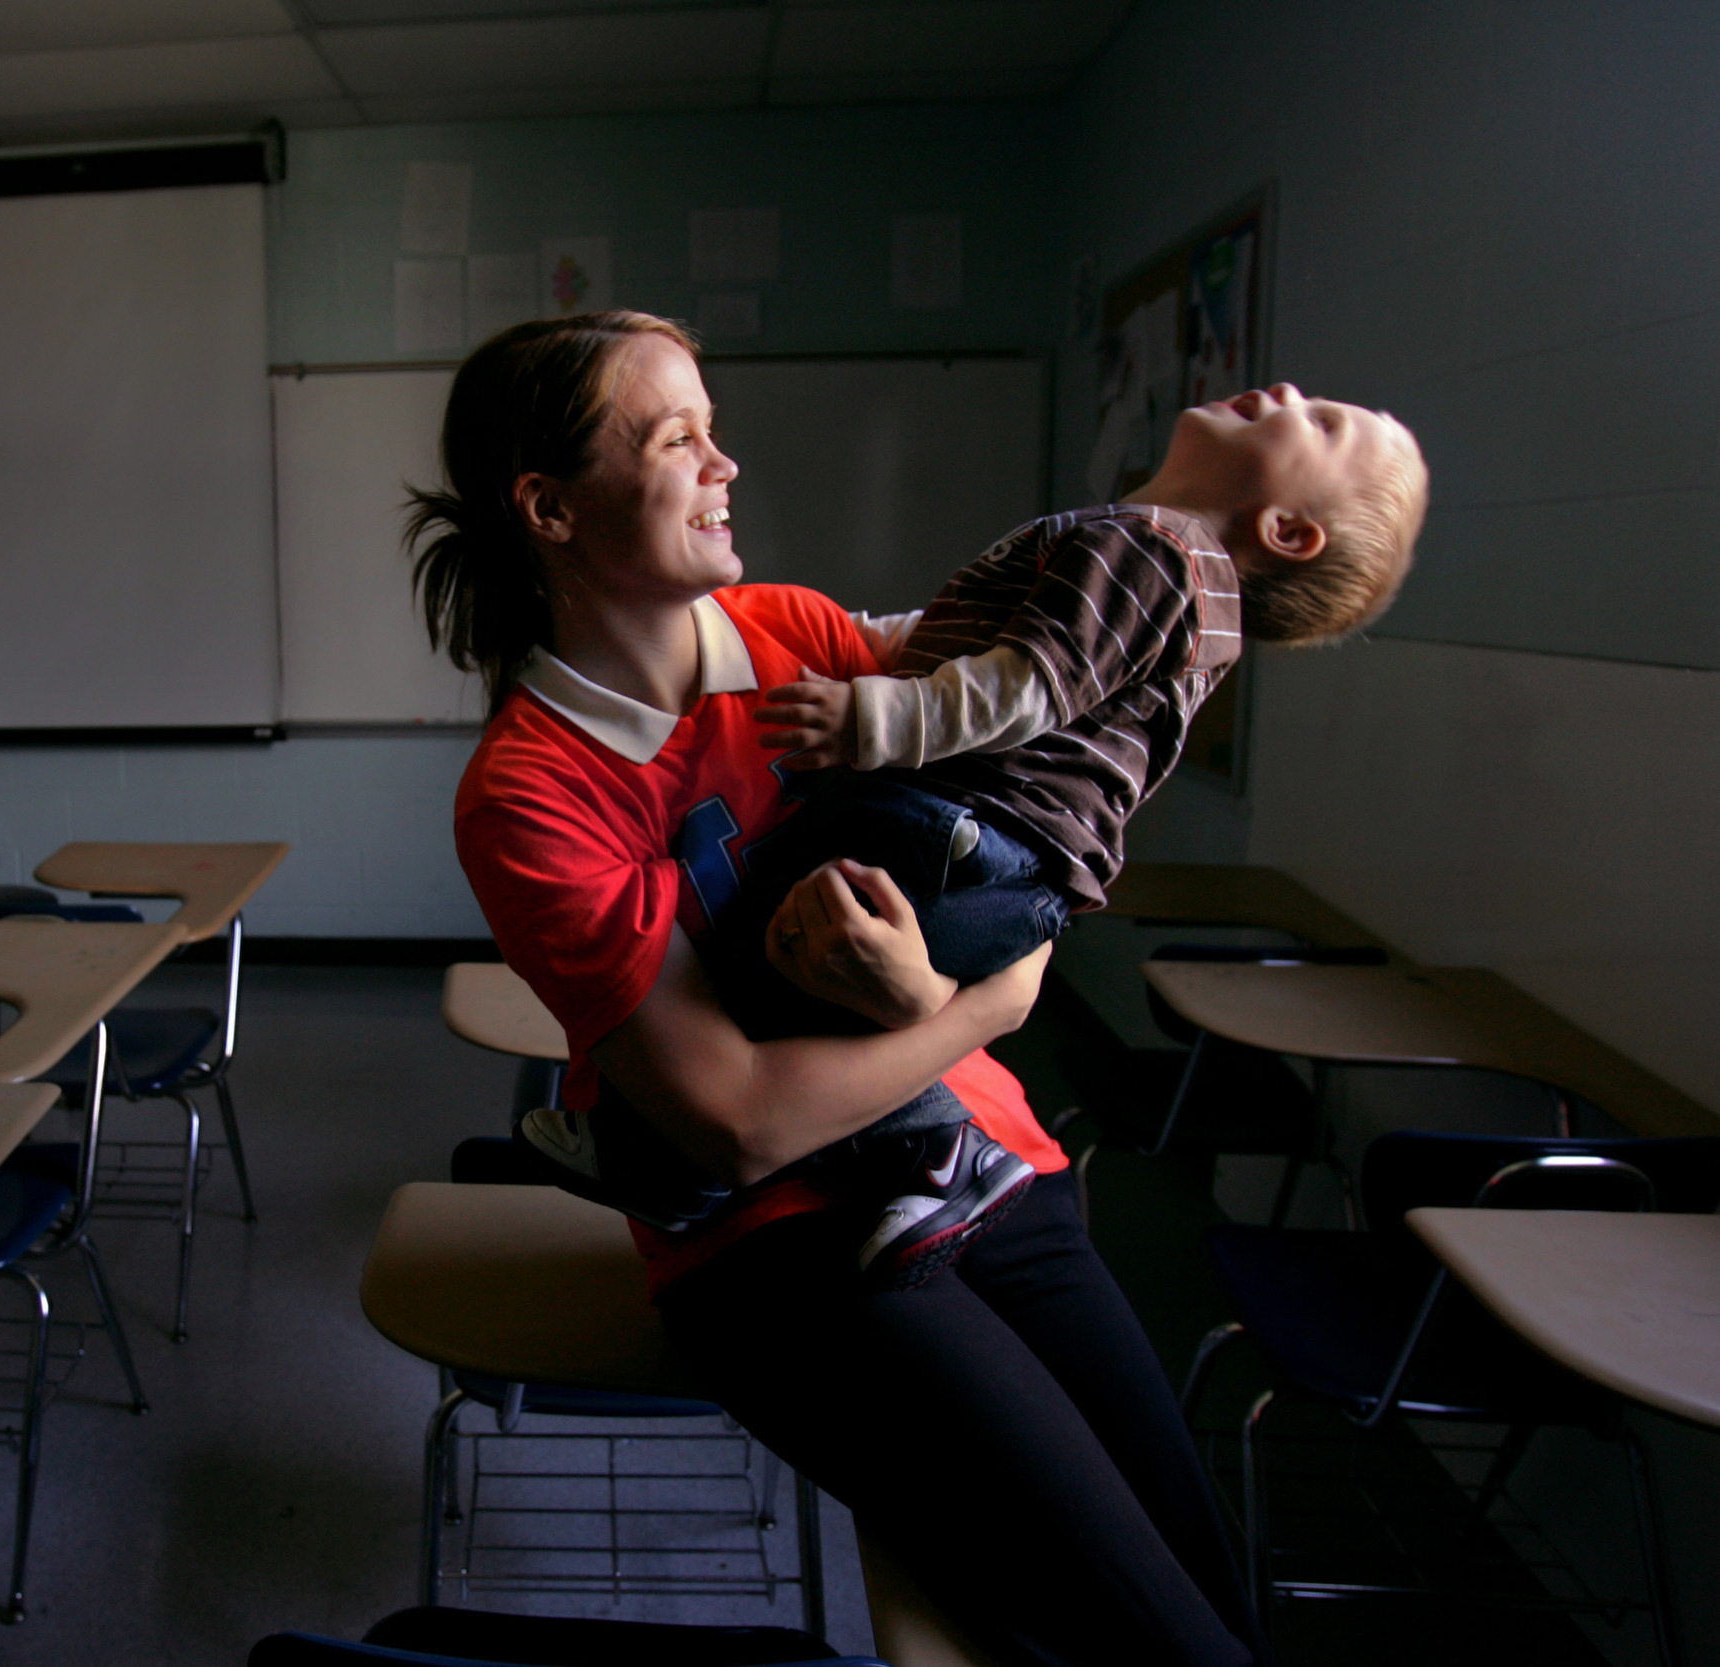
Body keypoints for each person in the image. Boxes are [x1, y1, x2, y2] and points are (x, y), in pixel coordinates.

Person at [420, 309, 1264, 1666]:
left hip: (994, 1162)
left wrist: (942, 987)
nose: (725, 463)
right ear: (550, 507)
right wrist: (978, 1007)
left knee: (1210, 1589)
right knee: (1155, 1632)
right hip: (786, 1249)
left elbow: (1025, 832)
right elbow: (738, 1122)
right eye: (677, 435)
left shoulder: (801, 636)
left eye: (715, 424)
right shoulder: (531, 789)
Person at [514, 383, 1430, 1287]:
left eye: (1322, 421)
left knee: (765, 927)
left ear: (1287, 531)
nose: (1286, 389)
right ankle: (719, 1160)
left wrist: (875, 721)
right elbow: (951, 645)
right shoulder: (1172, 581)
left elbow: (1026, 684)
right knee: (811, 979)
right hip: (1016, 869)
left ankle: (899, 1154)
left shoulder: (1151, 547)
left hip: (960, 826)